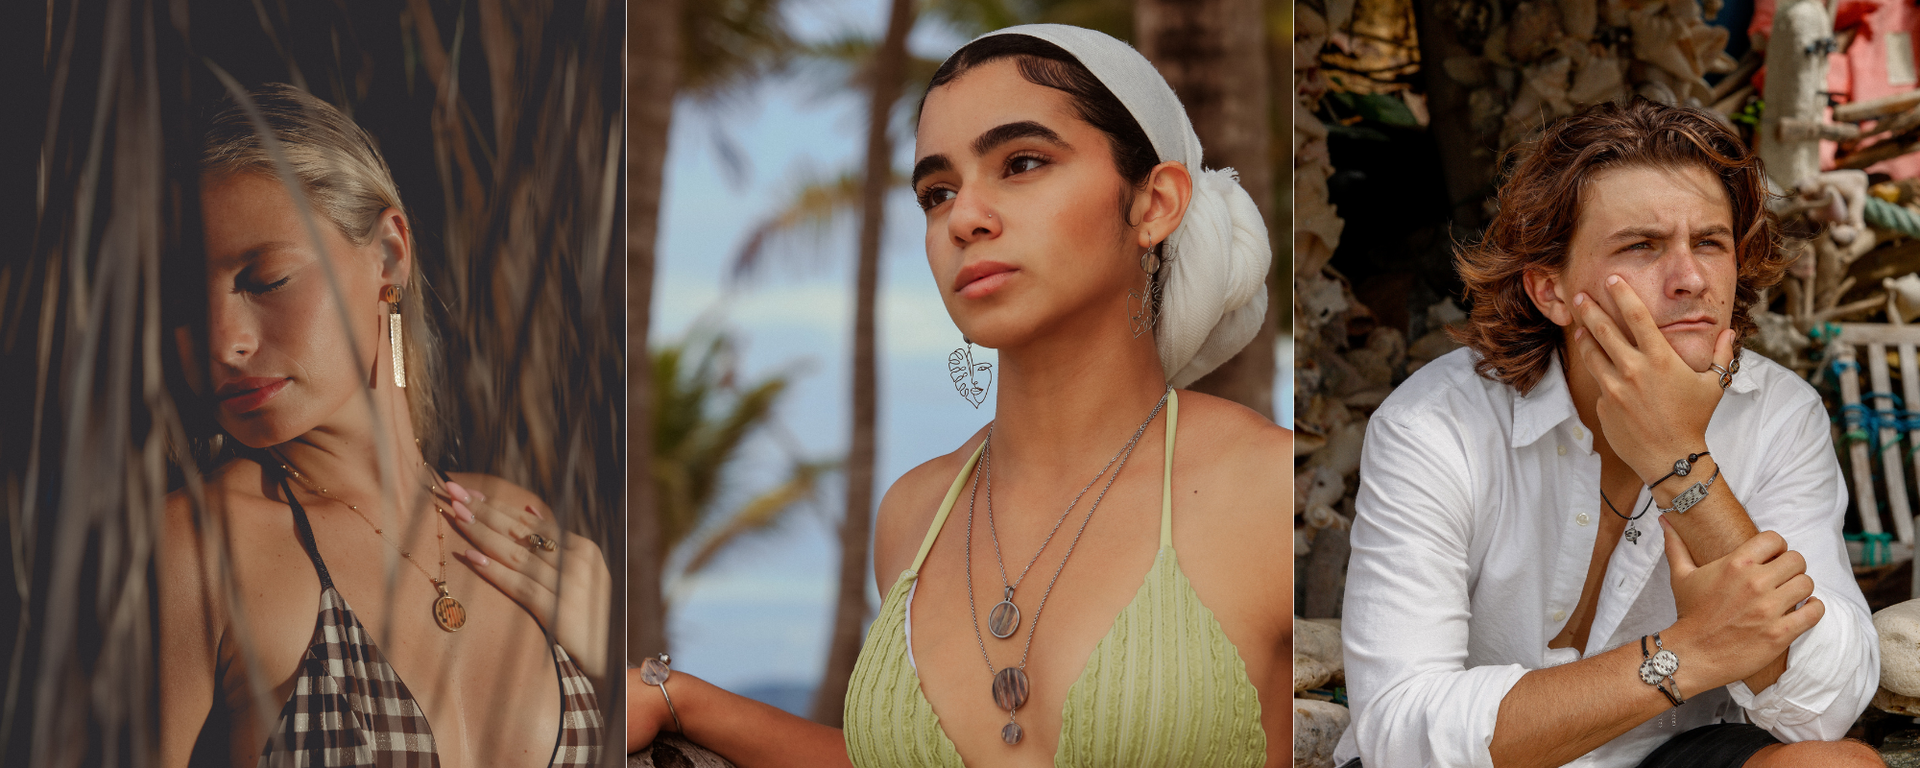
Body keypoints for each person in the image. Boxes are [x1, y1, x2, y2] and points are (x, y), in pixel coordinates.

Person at [627, 24, 1290, 768]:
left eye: (1022, 162)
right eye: (937, 193)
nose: (964, 219)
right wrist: (677, 694)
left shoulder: (1263, 488)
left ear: (1154, 203)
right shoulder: (915, 515)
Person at [1335, 98, 1882, 768]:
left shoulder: (1778, 414)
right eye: (1643, 246)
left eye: (1709, 242)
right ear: (1550, 289)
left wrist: (1683, 465)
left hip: (1668, 753)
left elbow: (1826, 709)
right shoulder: (1435, 426)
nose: (1690, 279)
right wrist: (1692, 651)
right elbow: (1399, 729)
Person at [157, 84, 608, 768]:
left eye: (266, 279)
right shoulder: (200, 550)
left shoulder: (516, 524)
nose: (226, 341)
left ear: (390, 257)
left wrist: (612, 664)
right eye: (187, 300)